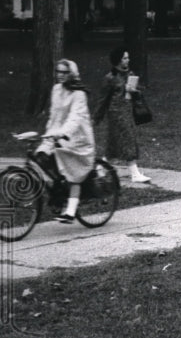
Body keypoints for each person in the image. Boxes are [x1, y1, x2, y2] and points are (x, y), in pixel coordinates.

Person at [36, 60, 96, 223]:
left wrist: (62, 133)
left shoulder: (79, 94)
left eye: (64, 72)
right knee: (41, 158)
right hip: (58, 133)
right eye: (58, 72)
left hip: (77, 138)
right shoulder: (56, 89)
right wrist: (49, 134)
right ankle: (58, 193)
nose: (60, 75)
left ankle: (70, 210)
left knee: (73, 172)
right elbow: (54, 115)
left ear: (71, 74)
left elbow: (75, 118)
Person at [93, 46, 151, 183]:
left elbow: (138, 94)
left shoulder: (130, 74)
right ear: (118, 60)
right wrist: (96, 117)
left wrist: (135, 91)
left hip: (128, 111)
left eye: (127, 57)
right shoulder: (110, 78)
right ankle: (134, 173)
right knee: (128, 140)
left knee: (115, 142)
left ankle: (101, 167)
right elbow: (103, 99)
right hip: (116, 113)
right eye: (125, 58)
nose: (127, 60)